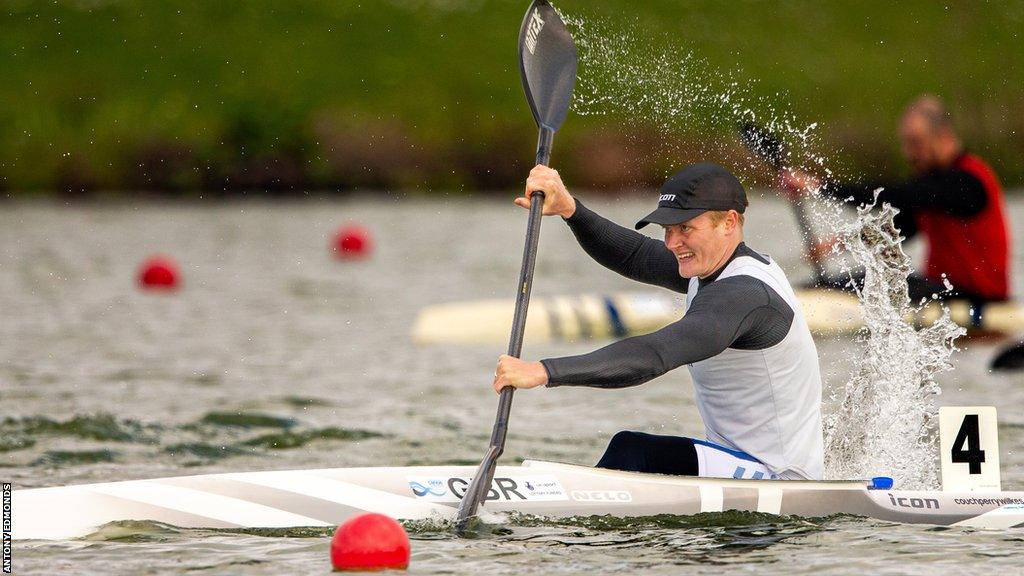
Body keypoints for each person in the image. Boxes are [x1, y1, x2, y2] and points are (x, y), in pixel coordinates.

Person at [493, 162, 824, 481]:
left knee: (635, 451)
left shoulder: (744, 294)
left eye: (685, 229)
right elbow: (635, 255)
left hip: (778, 478)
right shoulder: (714, 266)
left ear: (729, 222)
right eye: (667, 229)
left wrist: (544, 371)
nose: (672, 243)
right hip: (738, 465)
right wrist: (570, 210)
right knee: (634, 451)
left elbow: (655, 354)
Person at [782, 95, 1011, 305]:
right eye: (906, 143)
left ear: (943, 137)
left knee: (863, 285)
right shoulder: (933, 186)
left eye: (915, 142)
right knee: (850, 281)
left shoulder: (967, 181)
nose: (909, 153)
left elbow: (896, 196)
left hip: (978, 298)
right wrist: (838, 244)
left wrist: (819, 186)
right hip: (941, 291)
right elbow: (896, 230)